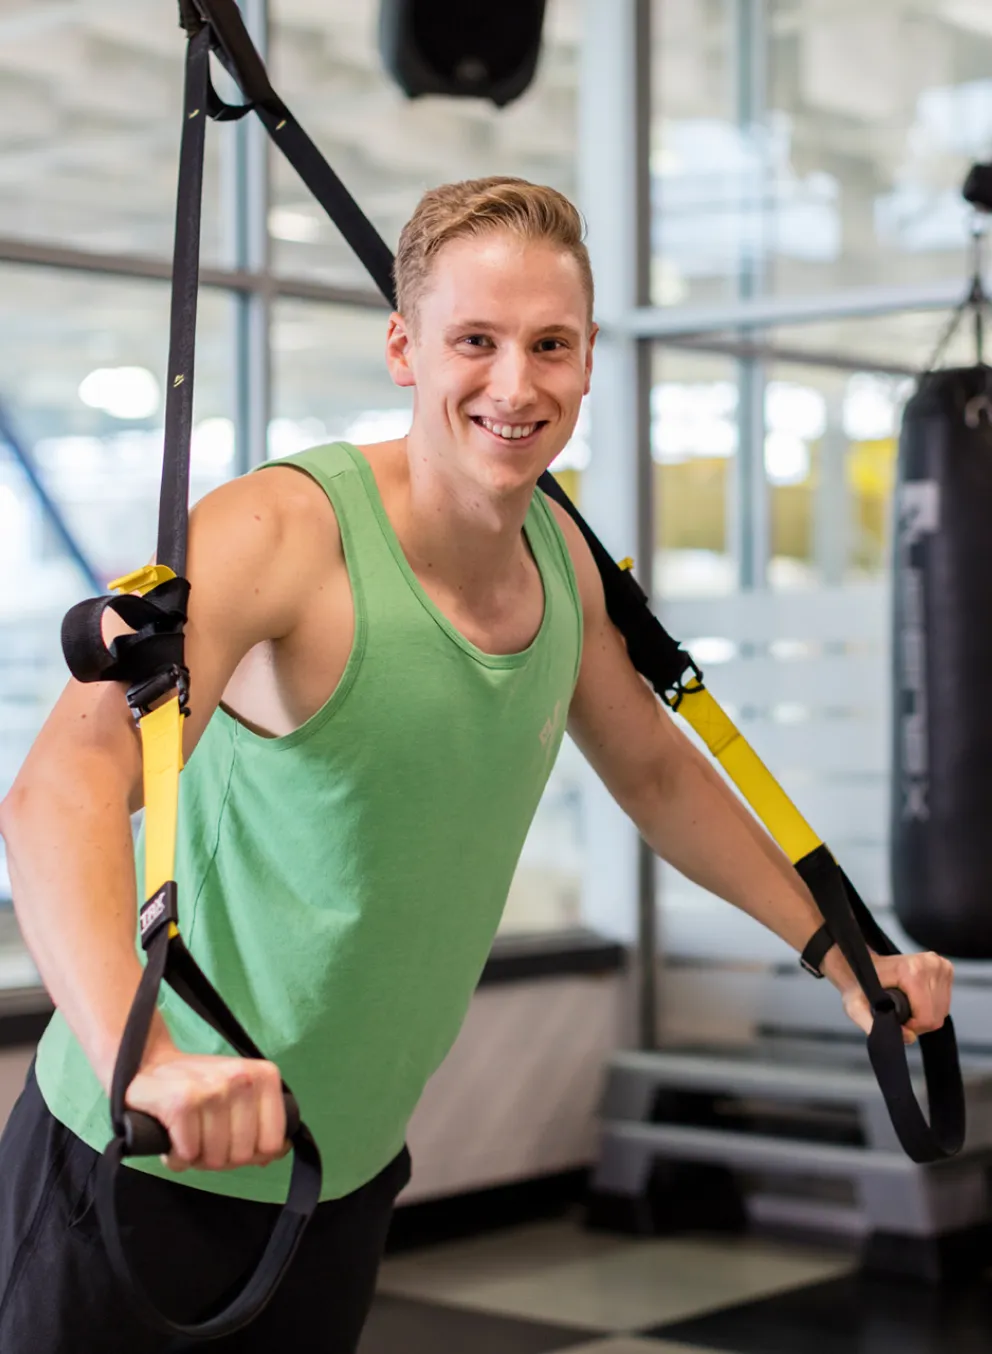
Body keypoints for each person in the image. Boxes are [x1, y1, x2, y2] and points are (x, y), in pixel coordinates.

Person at [0, 177, 954, 1352]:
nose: (515, 385)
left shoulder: (559, 553)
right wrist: (140, 1058)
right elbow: (59, 791)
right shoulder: (280, 531)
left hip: (336, 1175)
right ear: (404, 348)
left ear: (590, 356)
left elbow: (654, 771)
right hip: (136, 1156)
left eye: (548, 344)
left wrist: (839, 953)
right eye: (475, 341)